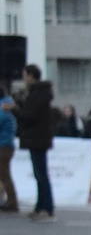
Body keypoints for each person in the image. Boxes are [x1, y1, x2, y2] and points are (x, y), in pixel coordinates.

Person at [15, 65, 56, 221]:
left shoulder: (38, 95)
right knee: (40, 174)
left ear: (31, 76)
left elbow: (28, 116)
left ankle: (47, 207)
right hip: (38, 138)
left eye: (25, 75)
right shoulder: (40, 94)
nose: (24, 79)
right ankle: (41, 206)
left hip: (37, 138)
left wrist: (15, 109)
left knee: (41, 174)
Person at [0, 83, 17, 212]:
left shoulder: (4, 107)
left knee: (4, 174)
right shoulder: (7, 104)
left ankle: (12, 202)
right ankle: (9, 201)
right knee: (4, 174)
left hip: (3, 145)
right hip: (6, 144)